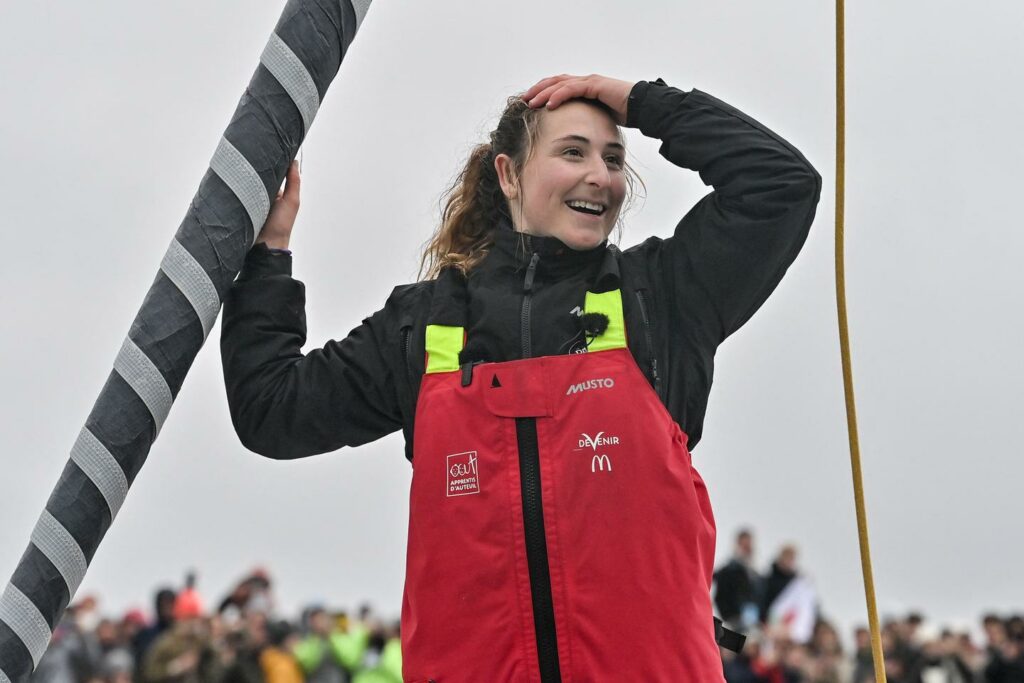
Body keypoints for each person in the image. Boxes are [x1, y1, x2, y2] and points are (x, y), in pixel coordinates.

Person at [221, 73, 821, 681]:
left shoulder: (659, 300)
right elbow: (271, 411)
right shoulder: (427, 324)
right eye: (572, 152)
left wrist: (637, 101)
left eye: (613, 158)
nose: (601, 176)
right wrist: (268, 255)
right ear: (509, 175)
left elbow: (782, 185)